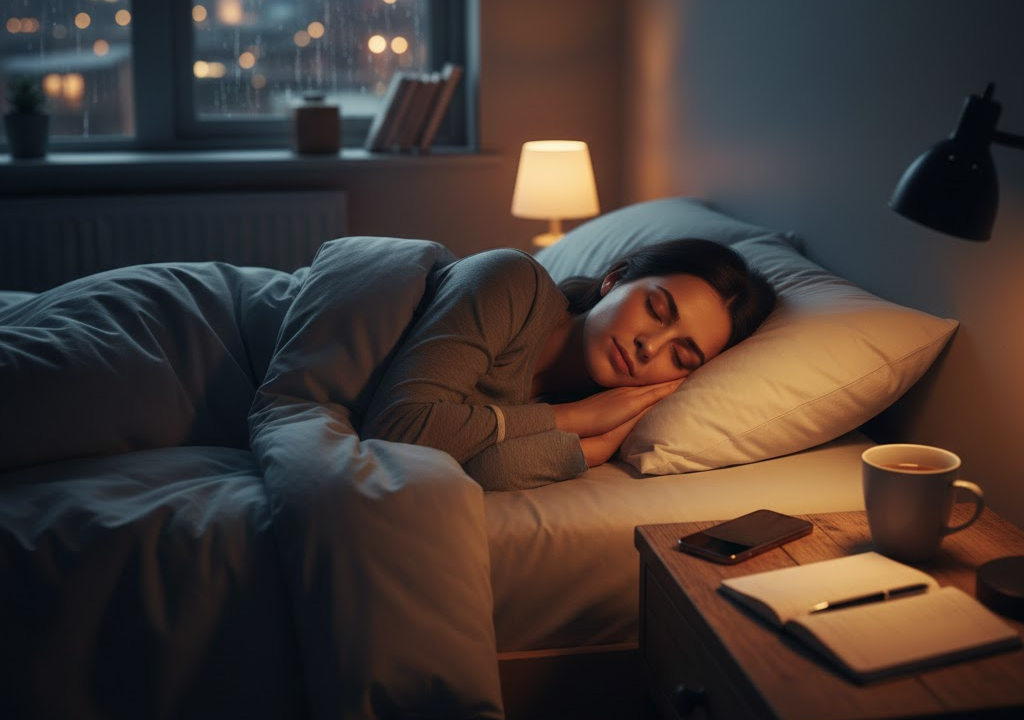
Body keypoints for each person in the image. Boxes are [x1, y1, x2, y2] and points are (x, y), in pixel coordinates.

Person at [361, 238, 776, 491]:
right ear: (615, 279)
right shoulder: (511, 279)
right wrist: (573, 417)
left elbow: (492, 469)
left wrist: (599, 446)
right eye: (655, 309)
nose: (649, 347)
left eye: (680, 356)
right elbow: (395, 431)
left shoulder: (595, 417)